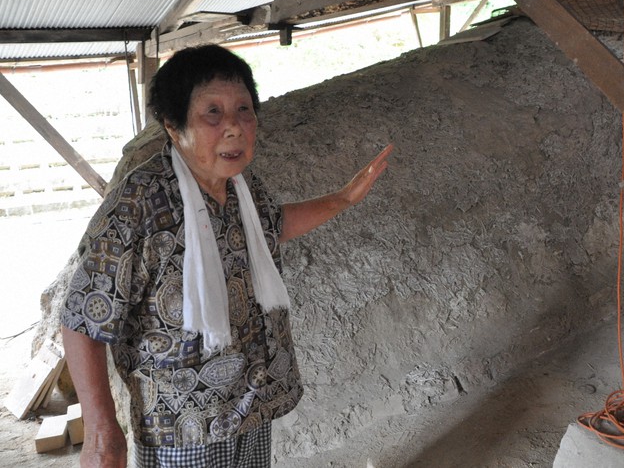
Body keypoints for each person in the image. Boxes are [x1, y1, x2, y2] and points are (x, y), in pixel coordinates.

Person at [60, 44, 393, 467]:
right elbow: (82, 319)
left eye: (244, 110)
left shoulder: (240, 187)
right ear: (173, 125)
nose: (234, 127)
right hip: (183, 426)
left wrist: (344, 198)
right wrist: (102, 432)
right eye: (212, 113)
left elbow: (274, 226)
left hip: (250, 406)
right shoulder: (139, 202)